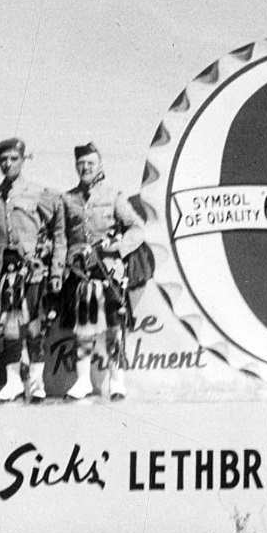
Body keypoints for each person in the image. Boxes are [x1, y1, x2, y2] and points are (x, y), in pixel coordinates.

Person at [61, 142, 148, 400]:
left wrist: (117, 246)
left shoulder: (113, 196)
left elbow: (137, 228)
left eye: (90, 163)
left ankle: (117, 380)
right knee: (83, 328)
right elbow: (61, 236)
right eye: (81, 164)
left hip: (109, 270)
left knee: (114, 325)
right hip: (82, 273)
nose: (85, 168)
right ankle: (83, 382)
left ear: (100, 166)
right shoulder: (67, 199)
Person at [0, 138, 65, 402]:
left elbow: (60, 230)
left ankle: (37, 383)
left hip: (32, 271)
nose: (7, 164)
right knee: (10, 328)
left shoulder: (38, 192)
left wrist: (55, 267)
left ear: (23, 160)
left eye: (13, 159)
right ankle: (13, 382)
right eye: (3, 160)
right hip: (4, 273)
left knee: (33, 327)